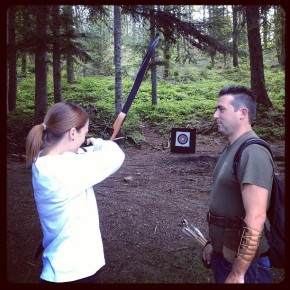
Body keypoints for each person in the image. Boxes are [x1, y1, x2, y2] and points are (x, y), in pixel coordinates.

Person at [26, 102, 125, 283]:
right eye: (84, 133)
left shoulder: (43, 160)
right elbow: (116, 155)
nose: (84, 138)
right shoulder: (64, 170)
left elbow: (74, 156)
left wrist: (89, 148)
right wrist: (100, 143)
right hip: (75, 273)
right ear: (72, 133)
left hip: (66, 269)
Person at [202, 85, 273, 283]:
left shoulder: (253, 152)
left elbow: (256, 216)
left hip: (245, 266)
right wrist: (213, 244)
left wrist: (239, 272)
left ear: (242, 113)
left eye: (221, 109)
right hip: (224, 254)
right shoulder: (232, 148)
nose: (215, 115)